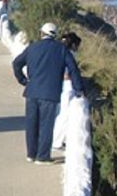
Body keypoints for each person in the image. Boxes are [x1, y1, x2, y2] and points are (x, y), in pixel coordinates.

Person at [12, 23, 85, 165]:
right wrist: (79, 89)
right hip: (50, 93)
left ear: (41, 33)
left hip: (32, 91)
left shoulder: (32, 47)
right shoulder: (62, 50)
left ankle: (31, 154)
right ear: (55, 35)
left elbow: (16, 63)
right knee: (46, 125)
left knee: (31, 124)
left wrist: (23, 80)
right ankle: (43, 156)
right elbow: (73, 70)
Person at [52, 32, 83, 150]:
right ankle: (57, 141)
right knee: (64, 114)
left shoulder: (58, 52)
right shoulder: (70, 54)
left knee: (60, 113)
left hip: (59, 86)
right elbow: (71, 72)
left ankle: (57, 140)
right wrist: (79, 88)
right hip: (68, 87)